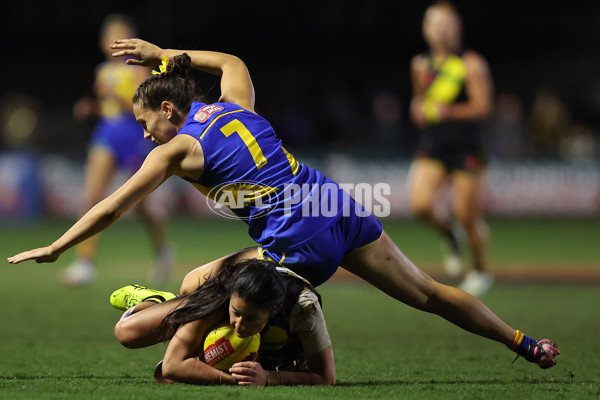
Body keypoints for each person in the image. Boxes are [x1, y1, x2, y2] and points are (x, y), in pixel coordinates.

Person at [7, 38, 559, 372]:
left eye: (142, 122)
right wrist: (164, 55)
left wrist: (58, 245)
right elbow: (230, 60)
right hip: (333, 204)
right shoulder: (234, 103)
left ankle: (274, 344)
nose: (143, 134)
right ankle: (523, 341)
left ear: (168, 108)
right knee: (428, 292)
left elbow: (110, 208)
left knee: (183, 296)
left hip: (296, 240)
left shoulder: (177, 149)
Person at [60, 14, 174, 286]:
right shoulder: (102, 70)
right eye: (109, 36)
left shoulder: (136, 67)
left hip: (134, 135)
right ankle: (84, 262)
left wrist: (115, 96)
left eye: (119, 35)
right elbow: (109, 109)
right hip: (107, 134)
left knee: (141, 204)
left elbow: (141, 108)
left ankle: (162, 249)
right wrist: (93, 107)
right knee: (92, 197)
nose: (113, 41)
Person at [109, 258, 335, 386]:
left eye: (251, 318)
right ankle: (163, 302)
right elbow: (171, 366)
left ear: (276, 310)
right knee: (127, 333)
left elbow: (326, 377)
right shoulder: (222, 295)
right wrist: (234, 380)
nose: (238, 325)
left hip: (279, 344)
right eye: (236, 313)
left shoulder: (304, 306)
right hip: (219, 286)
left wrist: (268, 377)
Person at [407, 1, 494, 296]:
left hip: (466, 149)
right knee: (420, 204)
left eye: (446, 25)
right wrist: (417, 109)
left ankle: (481, 271)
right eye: (435, 24)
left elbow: (483, 107)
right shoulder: (420, 64)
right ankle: (450, 235)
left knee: (467, 215)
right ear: (425, 29)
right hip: (433, 146)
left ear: (457, 29)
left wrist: (447, 112)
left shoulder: (471, 63)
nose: (440, 31)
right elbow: (421, 102)